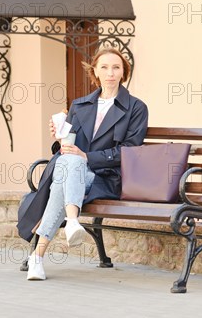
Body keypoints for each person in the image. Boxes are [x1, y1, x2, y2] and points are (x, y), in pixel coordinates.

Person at [27, 47, 149, 280]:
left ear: (124, 72)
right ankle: (71, 223)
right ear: (95, 71)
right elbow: (68, 147)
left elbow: (130, 151)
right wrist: (60, 137)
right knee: (69, 164)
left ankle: (38, 255)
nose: (110, 73)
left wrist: (86, 157)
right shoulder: (80, 105)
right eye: (104, 67)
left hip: (107, 178)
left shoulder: (136, 108)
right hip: (75, 173)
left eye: (116, 67)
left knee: (65, 174)